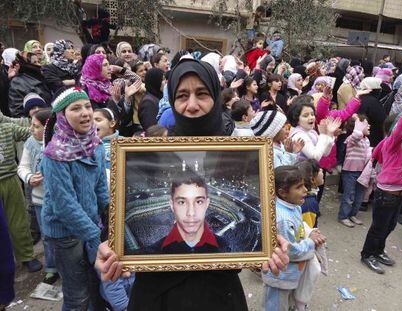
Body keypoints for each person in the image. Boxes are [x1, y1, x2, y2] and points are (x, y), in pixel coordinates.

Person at [95, 58, 290, 311]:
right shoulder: (146, 154)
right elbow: (120, 219)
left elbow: (247, 240)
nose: (192, 105)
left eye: (202, 94)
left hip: (218, 296)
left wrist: (265, 241)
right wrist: (110, 247)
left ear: (216, 97)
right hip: (156, 298)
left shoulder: (240, 156)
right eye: (182, 95)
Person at [41, 86, 109, 309]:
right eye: (76, 108)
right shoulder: (54, 155)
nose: (85, 113)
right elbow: (64, 206)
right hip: (65, 234)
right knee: (77, 295)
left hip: (91, 226)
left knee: (96, 288)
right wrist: (95, 238)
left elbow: (100, 187)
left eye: (88, 106)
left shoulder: (96, 146)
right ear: (61, 116)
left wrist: (111, 214)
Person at [262, 165, 326, 311]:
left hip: (291, 271)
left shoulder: (293, 205)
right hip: (280, 275)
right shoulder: (282, 219)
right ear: (283, 192)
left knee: (286, 300)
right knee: (276, 305)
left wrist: (309, 233)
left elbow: (299, 227)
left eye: (304, 184)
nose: (305, 190)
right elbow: (289, 250)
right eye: (299, 187)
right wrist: (310, 243)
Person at [361, 100, 402, 274]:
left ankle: (378, 251)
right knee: (378, 227)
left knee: (390, 225)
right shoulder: (394, 142)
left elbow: (377, 154)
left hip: (399, 193)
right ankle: (367, 254)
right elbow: (399, 130)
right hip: (387, 194)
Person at [17, 109, 59, 284]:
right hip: (40, 200)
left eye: (36, 126)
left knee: (63, 235)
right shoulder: (30, 143)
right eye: (31, 125)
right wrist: (29, 177)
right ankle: (51, 268)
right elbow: (23, 167)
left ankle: (68, 266)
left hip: (58, 200)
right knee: (47, 236)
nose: (31, 129)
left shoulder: (58, 143)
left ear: (48, 126)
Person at [0, 110, 41, 272]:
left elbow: (32, 132)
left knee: (19, 221)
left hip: (10, 180)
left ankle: (26, 256)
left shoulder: (8, 128)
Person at [337, 115, 371, 228]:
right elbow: (356, 135)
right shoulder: (351, 138)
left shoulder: (366, 140)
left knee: (359, 196)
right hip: (350, 172)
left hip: (362, 172)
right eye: (366, 124)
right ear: (358, 127)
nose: (369, 126)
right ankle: (343, 216)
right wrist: (358, 123)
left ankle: (352, 214)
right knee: (349, 195)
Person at [288, 97, 340, 162]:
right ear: (297, 119)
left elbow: (325, 153)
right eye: (305, 115)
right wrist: (323, 134)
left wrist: (329, 134)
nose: (311, 117)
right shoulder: (299, 135)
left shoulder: (312, 132)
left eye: (312, 114)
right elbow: (315, 157)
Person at [8, 52, 52, 117]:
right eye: (34, 62)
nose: (39, 65)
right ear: (25, 64)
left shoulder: (42, 77)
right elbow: (17, 112)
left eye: (38, 61)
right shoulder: (18, 82)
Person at [358, 77, 386, 147]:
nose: (380, 89)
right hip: (373, 137)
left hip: (359, 136)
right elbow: (381, 119)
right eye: (379, 86)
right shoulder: (373, 102)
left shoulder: (358, 98)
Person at [296, 159, 324, 229]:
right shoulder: (309, 203)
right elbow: (308, 231)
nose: (322, 171)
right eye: (320, 170)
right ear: (312, 179)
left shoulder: (307, 198)